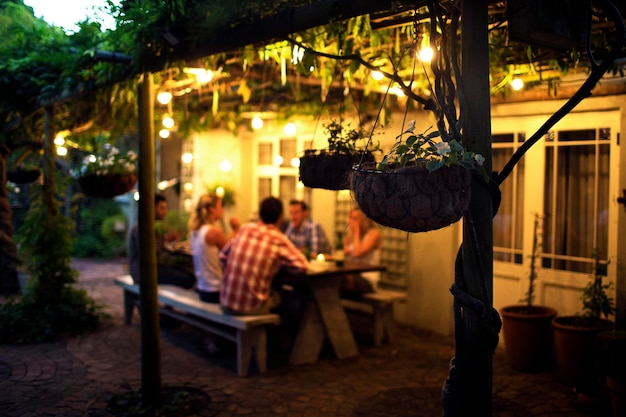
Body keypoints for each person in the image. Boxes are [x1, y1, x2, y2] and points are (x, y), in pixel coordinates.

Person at [219, 196, 309, 315]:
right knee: (292, 299)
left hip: (226, 302)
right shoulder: (277, 237)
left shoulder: (245, 228)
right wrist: (276, 266)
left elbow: (223, 256)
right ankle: (281, 333)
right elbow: (303, 266)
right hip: (250, 308)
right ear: (280, 217)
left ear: (260, 214)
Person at [129, 194, 196, 289]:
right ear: (152, 208)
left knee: (186, 271)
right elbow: (150, 255)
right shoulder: (142, 228)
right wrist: (166, 241)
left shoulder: (150, 227)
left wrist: (165, 240)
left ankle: (170, 302)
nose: (165, 212)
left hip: (150, 270)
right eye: (162, 208)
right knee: (187, 278)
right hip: (144, 273)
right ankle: (170, 303)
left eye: (165, 208)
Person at [188, 193, 240, 303]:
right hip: (216, 292)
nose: (222, 210)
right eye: (220, 206)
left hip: (202, 290)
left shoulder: (195, 232)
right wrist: (236, 229)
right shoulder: (213, 232)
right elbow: (233, 253)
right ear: (212, 209)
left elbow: (226, 246)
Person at [342, 207, 382, 296]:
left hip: (367, 279)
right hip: (352, 275)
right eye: (350, 218)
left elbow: (357, 252)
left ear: (363, 220)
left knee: (342, 280)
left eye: (355, 219)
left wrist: (357, 231)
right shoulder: (350, 236)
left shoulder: (374, 234)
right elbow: (344, 251)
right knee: (332, 281)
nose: (351, 222)